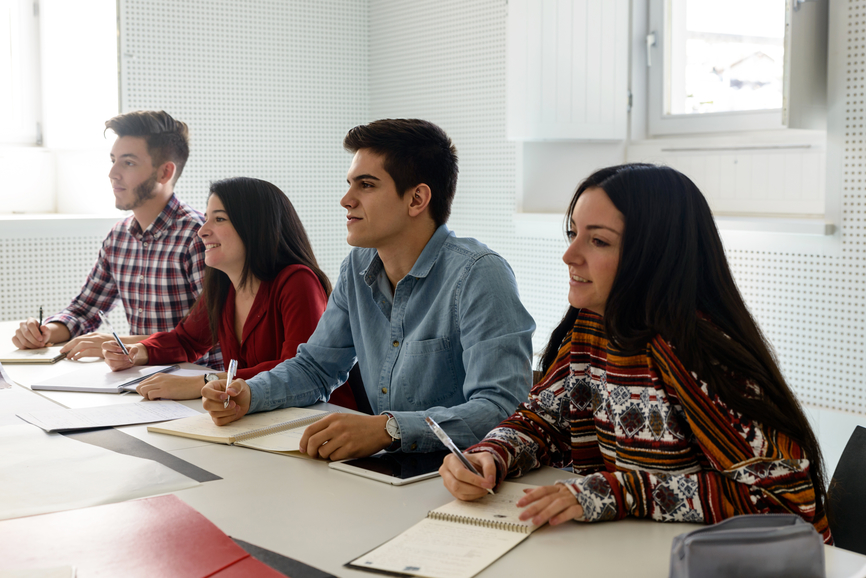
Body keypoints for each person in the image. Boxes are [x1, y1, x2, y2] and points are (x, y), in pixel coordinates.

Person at [439, 163, 831, 542]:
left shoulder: (702, 353)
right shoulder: (593, 324)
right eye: (573, 233)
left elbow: (783, 502)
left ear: (655, 253)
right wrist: (491, 455)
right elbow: (542, 422)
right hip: (638, 552)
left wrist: (616, 492)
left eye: (598, 240)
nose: (569, 255)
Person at [201, 119, 536, 460]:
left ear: (417, 199)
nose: (346, 200)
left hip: (460, 476)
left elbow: (503, 408)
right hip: (392, 471)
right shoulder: (357, 266)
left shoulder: (480, 274)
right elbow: (315, 368)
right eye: (350, 184)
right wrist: (249, 394)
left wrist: (389, 429)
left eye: (366, 185)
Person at [102, 177, 356, 408]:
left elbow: (297, 370)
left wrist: (207, 381)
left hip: (321, 419)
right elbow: (186, 341)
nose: (202, 230)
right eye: (206, 218)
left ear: (255, 226)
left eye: (219, 219)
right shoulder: (223, 284)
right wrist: (138, 352)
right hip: (258, 415)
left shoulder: (297, 282)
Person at [11, 110, 219, 369]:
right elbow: (83, 310)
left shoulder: (198, 236)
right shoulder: (119, 237)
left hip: (196, 384)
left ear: (165, 173)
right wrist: (46, 332)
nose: (112, 173)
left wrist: (119, 342)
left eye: (128, 163)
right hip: (140, 377)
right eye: (113, 160)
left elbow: (212, 334)